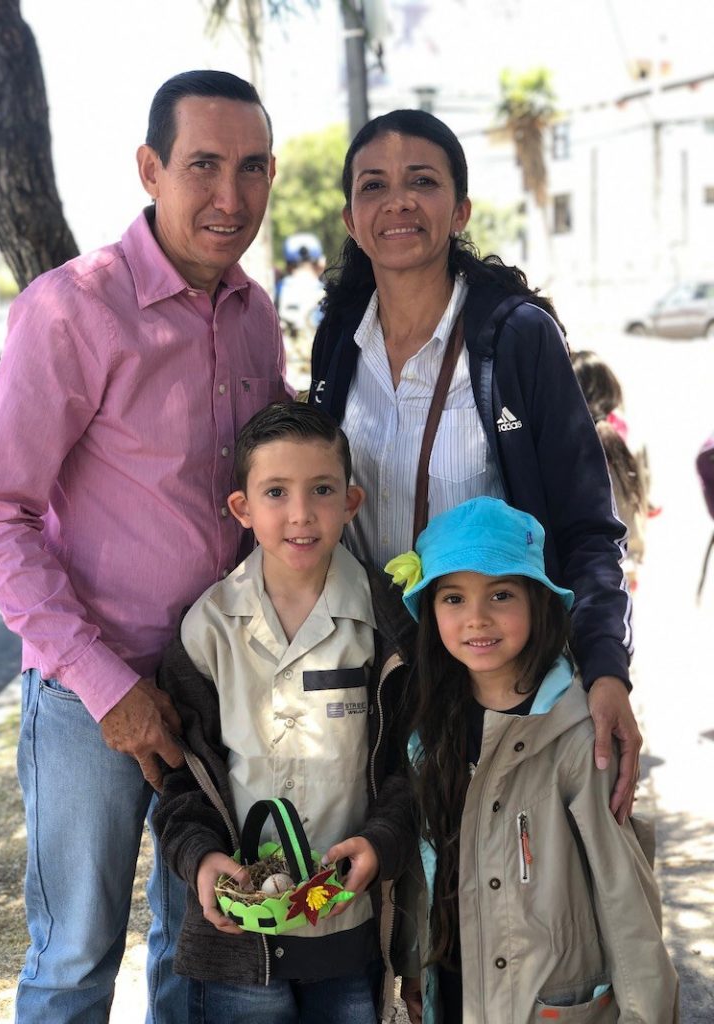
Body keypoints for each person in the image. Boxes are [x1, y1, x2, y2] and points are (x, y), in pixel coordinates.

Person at [0, 70, 290, 1023]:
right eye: (203, 166)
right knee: (75, 957)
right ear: (150, 169)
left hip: (219, 684)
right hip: (86, 695)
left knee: (197, 945)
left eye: (253, 168)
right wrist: (109, 688)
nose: (231, 197)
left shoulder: (255, 313)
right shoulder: (72, 311)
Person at [309, 108, 641, 823]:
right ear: (350, 215)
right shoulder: (339, 338)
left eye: (421, 181)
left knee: (499, 912)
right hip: (372, 681)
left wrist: (608, 666)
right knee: (388, 898)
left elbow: (587, 524)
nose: (398, 201)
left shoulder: (515, 339)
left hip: (498, 688)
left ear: (459, 208)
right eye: (375, 186)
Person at [153, 401, 416, 1024]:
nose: (301, 513)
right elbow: (179, 779)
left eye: (321, 490)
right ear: (242, 508)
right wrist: (200, 858)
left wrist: (382, 842)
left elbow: (415, 765)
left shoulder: (388, 624)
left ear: (351, 502)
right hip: (242, 934)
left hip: (343, 922)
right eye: (276, 492)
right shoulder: (207, 629)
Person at [385, 497, 679, 1023]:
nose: (476, 617)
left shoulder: (575, 735)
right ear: (429, 609)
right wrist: (414, 965)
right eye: (453, 598)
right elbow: (422, 864)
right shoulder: (429, 726)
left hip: (546, 1005)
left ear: (538, 601)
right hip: (455, 989)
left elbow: (623, 896)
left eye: (501, 594)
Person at [571, 349, 651, 590]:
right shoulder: (629, 437)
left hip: (581, 570)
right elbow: (644, 504)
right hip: (626, 566)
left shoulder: (566, 443)